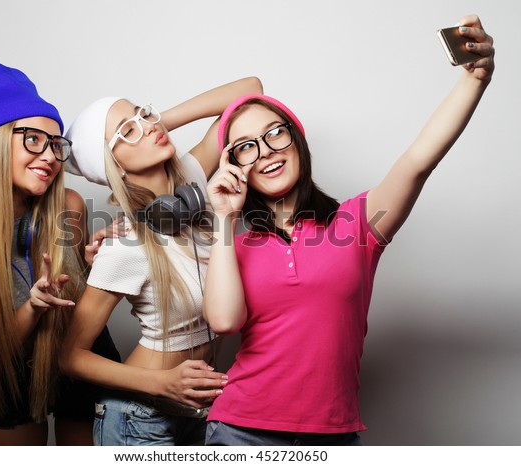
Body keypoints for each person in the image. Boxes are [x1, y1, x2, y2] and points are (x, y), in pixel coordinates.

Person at [203, 15, 494, 446]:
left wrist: (476, 78)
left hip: (334, 434)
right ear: (234, 166)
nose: (266, 153)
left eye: (274, 135)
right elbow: (225, 321)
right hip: (239, 432)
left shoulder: (357, 222)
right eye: (246, 147)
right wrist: (224, 219)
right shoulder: (235, 245)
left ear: (297, 141)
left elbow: (418, 160)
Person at [59, 76, 263, 445]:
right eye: (127, 132)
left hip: (198, 412)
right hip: (138, 417)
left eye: (143, 115)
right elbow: (69, 356)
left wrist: (154, 123)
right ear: (112, 165)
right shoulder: (124, 243)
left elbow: (250, 91)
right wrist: (161, 383)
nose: (147, 127)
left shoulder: (196, 183)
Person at [0, 63, 121, 446]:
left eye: (54, 144)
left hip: (75, 360)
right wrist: (32, 307)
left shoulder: (70, 206)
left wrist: (97, 269)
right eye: (33, 139)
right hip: (7, 375)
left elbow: (82, 298)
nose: (49, 155)